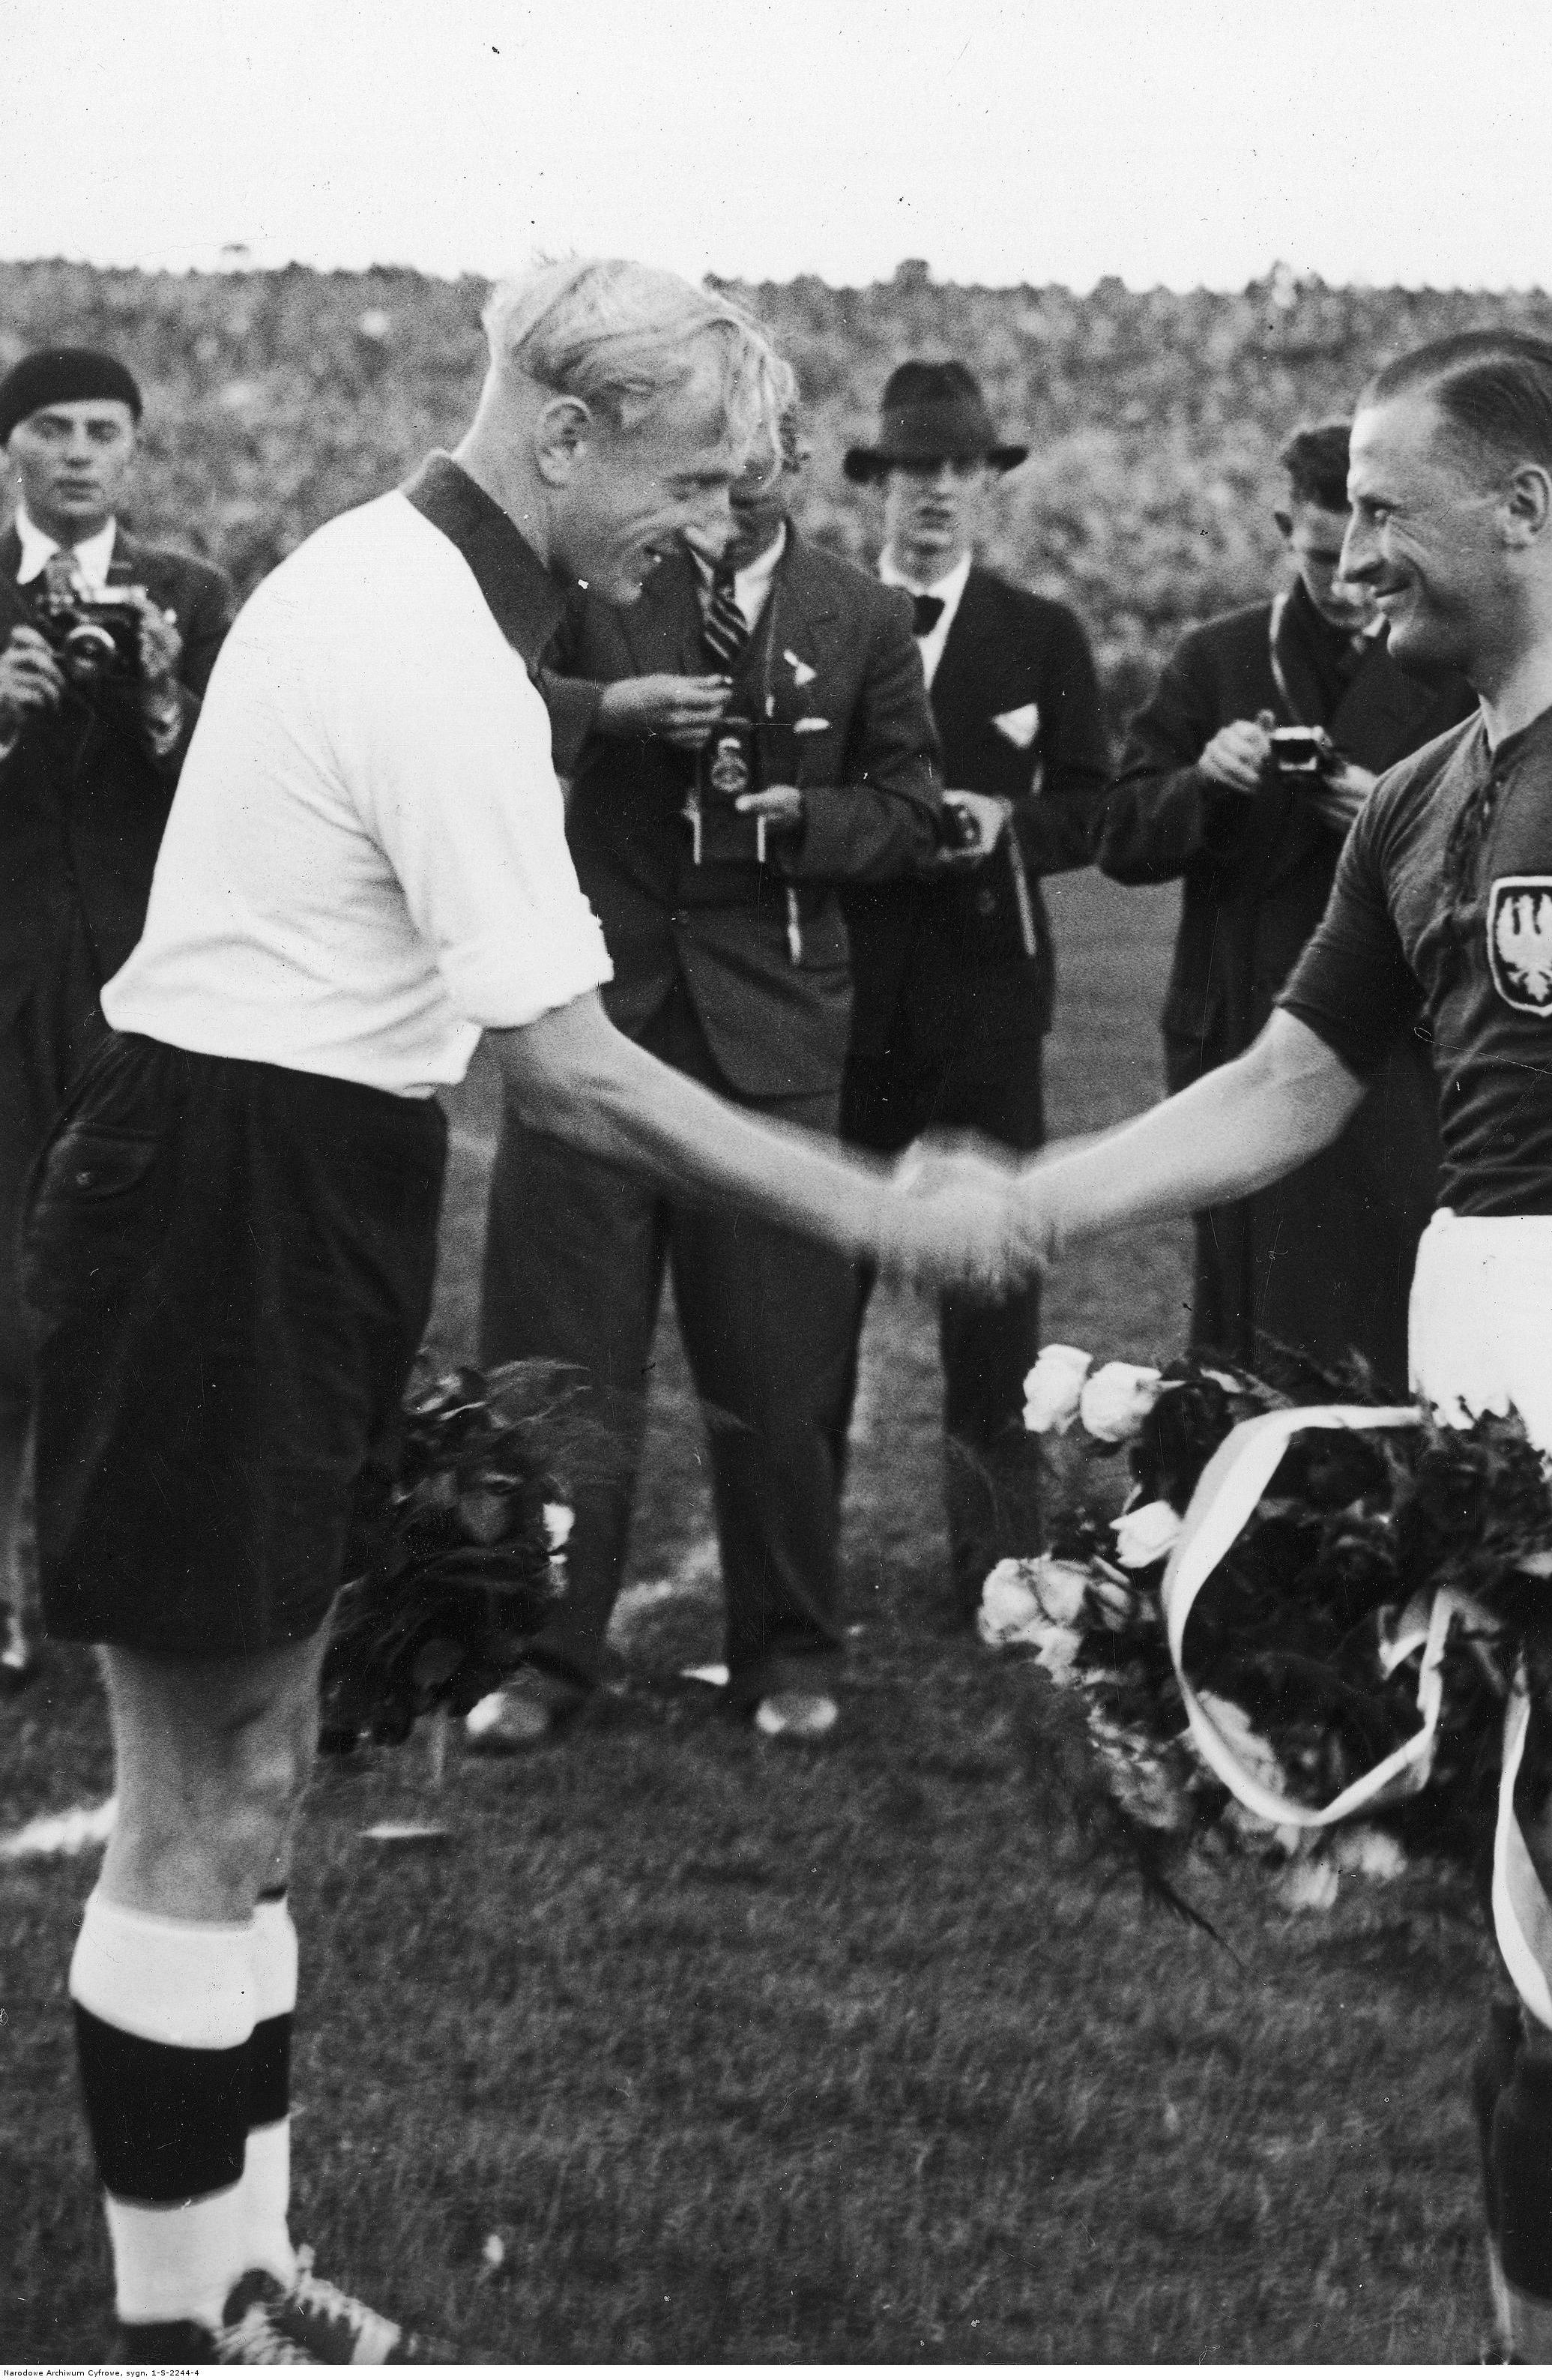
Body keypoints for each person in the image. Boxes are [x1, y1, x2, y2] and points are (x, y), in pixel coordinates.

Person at [24, 259, 1039, 2365]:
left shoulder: (427, 600)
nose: (699, 530)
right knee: (198, 1791)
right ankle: (179, 2319)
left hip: (294, 1180)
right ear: (562, 435)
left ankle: (235, 2278)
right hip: (230, 1199)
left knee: (259, 1770)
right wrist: (872, 1204)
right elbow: (571, 1070)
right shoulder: (423, 639)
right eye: (683, 482)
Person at [1015, 331, 1552, 2361]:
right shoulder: (1416, 787)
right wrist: (1040, 1194)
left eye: (1383, 516)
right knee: (1517, 1906)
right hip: (1483, 1342)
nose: (1349, 559)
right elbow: (1290, 1078)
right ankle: (1546, 2330)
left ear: (1522, 507)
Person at [469, 411, 943, 1750]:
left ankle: (789, 1647)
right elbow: (484, 705)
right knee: (558, 1356)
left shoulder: (862, 613)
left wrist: (816, 823)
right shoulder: (604, 583)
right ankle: (538, 1654)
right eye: (714, 457)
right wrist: (605, 713)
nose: (738, 482)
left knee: (781, 1364)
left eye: (761, 456)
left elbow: (914, 807)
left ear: (797, 462)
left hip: (771, 1034)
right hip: (597, 1019)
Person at [1098, 420, 1473, 1393]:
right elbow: (1119, 837)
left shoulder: (1450, 667)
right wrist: (1204, 784)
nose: (1345, 582)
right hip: (1238, 1033)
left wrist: (1396, 814)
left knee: (1386, 1326)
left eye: (1365, 558)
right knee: (1246, 1332)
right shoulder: (1217, 657)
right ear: (1283, 528)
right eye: (1317, 557)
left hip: (1394, 1053)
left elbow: (1514, 842)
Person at [838, 360, 1111, 1610]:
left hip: (988, 1004)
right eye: (916, 469)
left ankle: (997, 1569)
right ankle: (795, 1581)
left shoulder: (1042, 633)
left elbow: (1094, 805)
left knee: (993, 1298)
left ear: (987, 486)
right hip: (845, 1002)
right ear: (880, 484)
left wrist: (1012, 823)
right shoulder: (828, 620)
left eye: (959, 468)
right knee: (817, 1290)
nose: (937, 491)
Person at [0, 346, 233, 1689]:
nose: (81, 453)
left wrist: (157, 701)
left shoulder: (189, 595)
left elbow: (238, 791)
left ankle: (123, 1585)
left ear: (135, 449)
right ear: (13, 449)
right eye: (53, 429)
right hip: (5, 980)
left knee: (139, 1290)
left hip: (141, 987)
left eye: (104, 430)